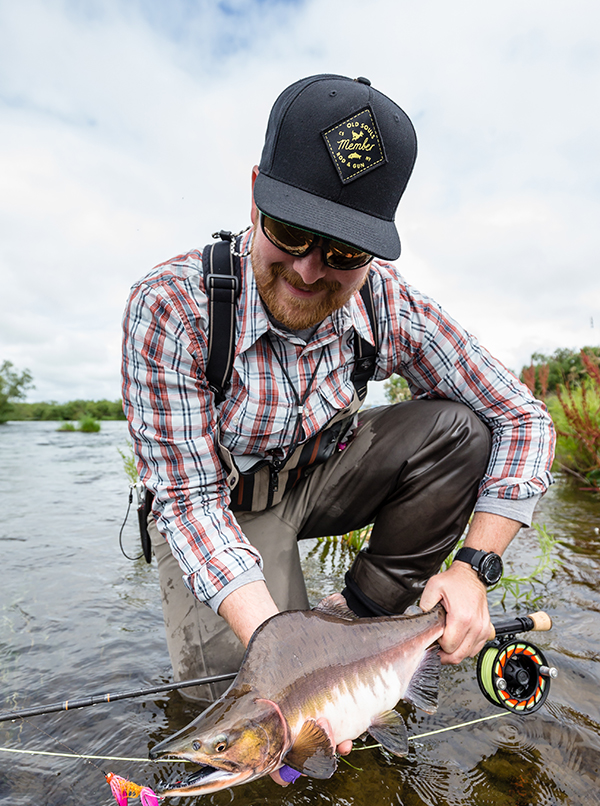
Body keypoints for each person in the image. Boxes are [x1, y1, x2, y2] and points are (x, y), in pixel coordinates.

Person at [122, 74, 555, 735]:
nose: (307, 270)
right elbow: (188, 504)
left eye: (345, 251)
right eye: (289, 231)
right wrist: (283, 650)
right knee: (245, 721)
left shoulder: (388, 303)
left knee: (461, 429)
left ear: (375, 249)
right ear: (254, 193)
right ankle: (310, 649)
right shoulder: (170, 309)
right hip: (218, 508)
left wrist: (474, 569)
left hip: (319, 478)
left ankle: (361, 620)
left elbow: (520, 418)